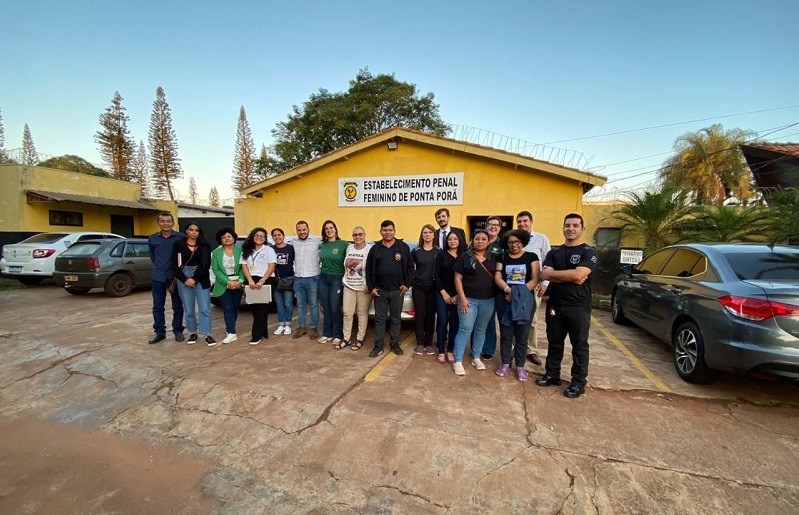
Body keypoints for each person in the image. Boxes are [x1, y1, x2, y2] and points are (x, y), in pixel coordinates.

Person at [536, 213, 598, 399]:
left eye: (575, 225)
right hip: (555, 304)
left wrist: (557, 274)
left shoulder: (589, 252)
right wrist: (569, 275)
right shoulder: (554, 252)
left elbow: (579, 276)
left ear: (582, 229)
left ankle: (578, 382)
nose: (571, 229)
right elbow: (544, 274)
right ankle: (552, 374)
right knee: (554, 342)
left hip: (579, 305)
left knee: (579, 345)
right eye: (567, 225)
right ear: (563, 227)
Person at [494, 229, 540, 382]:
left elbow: (535, 278)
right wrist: (508, 289)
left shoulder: (531, 257)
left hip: (525, 300)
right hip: (504, 299)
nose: (514, 245)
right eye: (511, 242)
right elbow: (498, 276)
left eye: (517, 242)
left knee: (522, 334)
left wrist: (518, 293)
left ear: (523, 242)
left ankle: (520, 366)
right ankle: (505, 363)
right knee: (506, 334)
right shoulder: (502, 257)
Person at [451, 230, 497, 376]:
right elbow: (457, 278)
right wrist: (462, 298)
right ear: (472, 241)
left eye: (484, 239)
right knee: (465, 328)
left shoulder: (494, 258)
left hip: (488, 301)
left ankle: (476, 357)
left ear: (488, 242)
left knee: (480, 329)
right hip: (468, 300)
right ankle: (457, 360)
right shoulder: (465, 257)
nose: (480, 241)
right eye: (477, 239)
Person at [365, 220, 413, 357]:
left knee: (396, 319)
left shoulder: (403, 247)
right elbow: (368, 269)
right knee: (379, 319)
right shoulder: (375, 249)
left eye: (390, 230)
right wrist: (371, 287)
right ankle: (378, 345)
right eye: (385, 230)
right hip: (380, 291)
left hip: (398, 291)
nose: (388, 232)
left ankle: (394, 343)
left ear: (394, 231)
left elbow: (410, 267)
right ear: (381, 232)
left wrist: (407, 284)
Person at [516, 210, 551, 366]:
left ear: (531, 222)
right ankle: (515, 348)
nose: (522, 224)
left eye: (525, 221)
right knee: (515, 317)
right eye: (520, 222)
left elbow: (548, 262)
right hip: (516, 285)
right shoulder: (514, 238)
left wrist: (545, 284)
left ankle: (530, 350)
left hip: (534, 285)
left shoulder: (541, 239)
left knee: (532, 319)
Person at [172, 222, 214, 346]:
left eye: (197, 230)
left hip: (201, 277)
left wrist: (194, 278)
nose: (194, 232)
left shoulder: (204, 245)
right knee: (189, 308)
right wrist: (185, 279)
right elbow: (176, 265)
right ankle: (193, 333)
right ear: (186, 231)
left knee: (205, 308)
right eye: (191, 229)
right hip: (183, 277)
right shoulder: (179, 244)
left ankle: (207, 334)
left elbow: (206, 263)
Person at [147, 211, 185, 344]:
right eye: (162, 221)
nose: (166, 224)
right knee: (158, 306)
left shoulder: (180, 237)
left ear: (173, 223)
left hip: (175, 277)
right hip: (158, 276)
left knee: (178, 305)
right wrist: (160, 267)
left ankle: (178, 330)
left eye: (168, 221)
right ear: (158, 223)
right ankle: (159, 332)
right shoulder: (152, 238)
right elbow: (153, 257)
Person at [241, 227, 277, 345]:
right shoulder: (246, 250)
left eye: (262, 236)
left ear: (265, 238)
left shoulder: (269, 250)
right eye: (257, 235)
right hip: (251, 280)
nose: (259, 238)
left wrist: (262, 281)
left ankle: (256, 336)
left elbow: (271, 266)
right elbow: (244, 266)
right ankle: (263, 332)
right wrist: (250, 280)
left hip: (265, 280)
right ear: (253, 236)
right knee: (254, 308)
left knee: (262, 309)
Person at [338, 226, 372, 351]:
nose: (357, 237)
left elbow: (371, 269)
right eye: (355, 235)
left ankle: (359, 339)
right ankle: (346, 338)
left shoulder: (369, 250)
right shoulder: (349, 248)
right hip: (348, 286)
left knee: (362, 313)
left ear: (364, 235)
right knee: (347, 313)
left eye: (360, 234)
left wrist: (369, 285)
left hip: (363, 288)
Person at [211, 226, 245, 344]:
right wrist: (227, 282)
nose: (226, 239)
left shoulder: (240, 251)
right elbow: (216, 270)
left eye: (229, 236)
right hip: (223, 284)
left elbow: (243, 267)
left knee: (235, 308)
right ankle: (231, 332)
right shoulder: (216, 253)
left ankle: (230, 329)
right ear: (220, 240)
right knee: (228, 308)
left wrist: (240, 280)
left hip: (238, 284)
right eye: (224, 237)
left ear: (233, 238)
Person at [433, 231, 463, 364]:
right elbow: (436, 275)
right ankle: (441, 350)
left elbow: (467, 278)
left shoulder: (464, 257)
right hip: (442, 294)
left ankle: (450, 350)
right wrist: (443, 292)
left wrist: (458, 295)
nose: (452, 241)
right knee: (442, 321)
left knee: (455, 323)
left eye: (455, 239)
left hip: (458, 295)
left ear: (459, 241)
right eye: (450, 239)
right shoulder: (441, 255)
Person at [318, 220, 349, 345]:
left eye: (331, 228)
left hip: (337, 277)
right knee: (326, 307)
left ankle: (337, 334)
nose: (329, 230)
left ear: (335, 229)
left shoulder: (343, 244)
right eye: (326, 229)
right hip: (324, 277)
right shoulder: (323, 245)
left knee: (335, 307)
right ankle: (326, 333)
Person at [412, 224, 440, 356]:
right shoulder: (416, 251)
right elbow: (409, 268)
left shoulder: (438, 252)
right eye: (425, 232)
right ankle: (420, 343)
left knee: (430, 316)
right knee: (419, 315)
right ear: (422, 235)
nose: (427, 235)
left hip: (433, 289)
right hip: (418, 288)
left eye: (430, 232)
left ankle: (428, 343)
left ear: (434, 235)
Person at [291, 221, 322, 340]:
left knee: (314, 305)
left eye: (304, 229)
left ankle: (314, 328)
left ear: (308, 229)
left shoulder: (317, 240)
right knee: (300, 305)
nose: (302, 232)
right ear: (297, 230)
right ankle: (302, 327)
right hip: (298, 278)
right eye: (299, 230)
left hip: (313, 278)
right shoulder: (293, 242)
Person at [479, 215, 504, 361]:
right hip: (477, 288)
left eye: (496, 225)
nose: (493, 227)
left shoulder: (503, 245)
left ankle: (488, 349)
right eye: (490, 224)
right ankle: (478, 347)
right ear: (486, 226)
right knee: (479, 321)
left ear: (500, 228)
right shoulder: (478, 242)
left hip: (496, 288)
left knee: (490, 321)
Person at [271, 228, 295, 336]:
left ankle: (288, 325)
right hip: (276, 280)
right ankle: (281, 324)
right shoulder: (271, 249)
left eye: (279, 235)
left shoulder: (291, 248)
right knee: (279, 303)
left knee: (288, 303)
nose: (277, 237)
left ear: (283, 236)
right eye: (275, 235)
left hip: (288, 279)